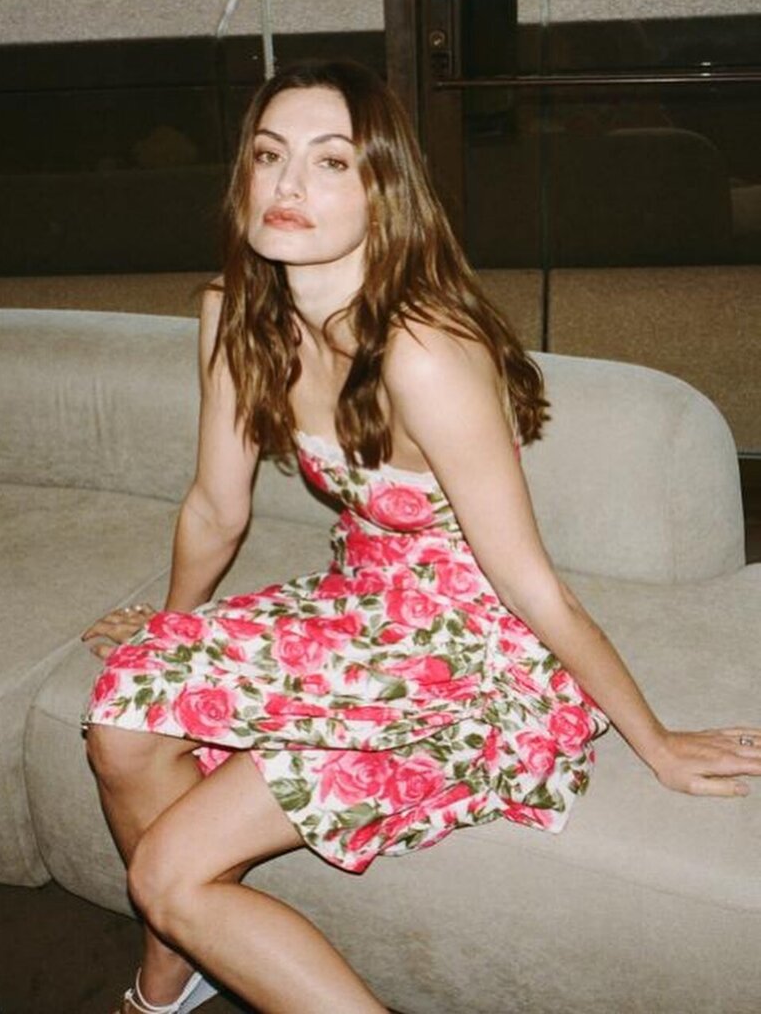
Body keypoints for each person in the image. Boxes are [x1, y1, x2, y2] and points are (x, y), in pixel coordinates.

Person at [82, 60, 761, 1014]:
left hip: (466, 654)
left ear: (383, 192)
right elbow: (214, 508)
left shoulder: (424, 351)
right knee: (119, 724)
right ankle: (179, 963)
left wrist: (653, 740)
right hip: (361, 605)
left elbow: (529, 583)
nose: (287, 184)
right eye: (270, 155)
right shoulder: (235, 314)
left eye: (330, 162)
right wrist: (172, 628)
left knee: (164, 872)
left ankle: (165, 964)